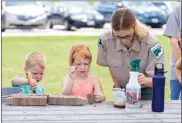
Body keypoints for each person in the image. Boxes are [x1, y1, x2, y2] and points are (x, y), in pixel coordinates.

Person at [96, 8, 165, 100]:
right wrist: (117, 87)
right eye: (118, 37)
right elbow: (110, 65)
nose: (123, 40)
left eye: (127, 36)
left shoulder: (152, 43)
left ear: (135, 27)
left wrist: (145, 80)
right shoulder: (105, 40)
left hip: (147, 91)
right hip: (121, 89)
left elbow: (159, 80)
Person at [163, 4, 181, 100]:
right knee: (176, 105)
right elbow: (174, 42)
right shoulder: (178, 9)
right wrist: (180, 69)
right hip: (177, 72)